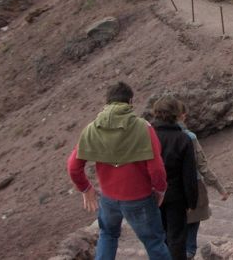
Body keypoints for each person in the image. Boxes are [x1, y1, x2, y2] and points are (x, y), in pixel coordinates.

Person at [67, 82, 171, 260]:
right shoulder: (143, 128)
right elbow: (156, 169)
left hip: (109, 199)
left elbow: (73, 166)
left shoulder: (92, 129)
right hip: (140, 199)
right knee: (153, 242)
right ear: (130, 101)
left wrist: (86, 188)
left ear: (107, 102)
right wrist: (160, 189)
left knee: (108, 235)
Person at [178, 104, 228, 260]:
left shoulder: (155, 134)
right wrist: (220, 188)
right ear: (183, 115)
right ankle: (189, 251)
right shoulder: (189, 137)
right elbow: (202, 167)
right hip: (193, 185)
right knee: (193, 219)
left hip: (168, 188)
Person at [152, 96, 198, 260]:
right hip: (176, 196)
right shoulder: (183, 139)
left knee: (157, 236)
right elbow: (189, 174)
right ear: (177, 115)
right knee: (177, 238)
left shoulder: (148, 137)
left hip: (151, 194)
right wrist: (192, 201)